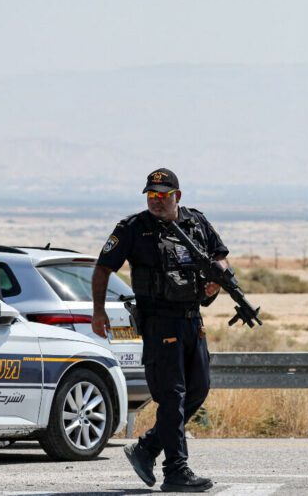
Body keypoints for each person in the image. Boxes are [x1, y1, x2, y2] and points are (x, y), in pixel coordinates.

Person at [92, 168, 228, 493]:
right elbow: (102, 268)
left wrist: (216, 283)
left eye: (163, 195)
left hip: (192, 319)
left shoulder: (196, 222)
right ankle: (176, 470)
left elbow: (220, 258)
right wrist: (98, 311)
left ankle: (148, 447)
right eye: (151, 195)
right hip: (159, 321)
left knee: (198, 389)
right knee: (173, 395)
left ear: (177, 196)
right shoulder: (133, 228)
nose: (156, 201)